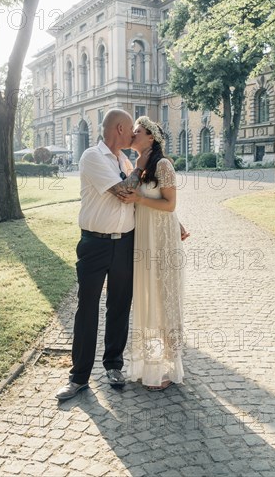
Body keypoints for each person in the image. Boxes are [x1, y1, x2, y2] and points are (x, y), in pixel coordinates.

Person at [56, 109, 151, 401]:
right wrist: (141, 166)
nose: (134, 136)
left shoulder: (123, 159)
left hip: (125, 244)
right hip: (94, 245)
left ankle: (114, 366)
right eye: (131, 131)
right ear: (120, 128)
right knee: (87, 308)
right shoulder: (92, 157)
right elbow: (123, 191)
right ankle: (79, 377)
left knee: (120, 306)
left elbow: (140, 202)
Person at [118, 116, 189, 391]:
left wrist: (140, 200)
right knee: (148, 294)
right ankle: (148, 362)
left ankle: (171, 366)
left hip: (162, 239)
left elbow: (169, 204)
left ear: (151, 138)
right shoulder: (138, 164)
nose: (133, 135)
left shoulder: (163, 164)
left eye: (138, 131)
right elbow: (132, 195)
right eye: (133, 131)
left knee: (165, 295)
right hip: (144, 238)